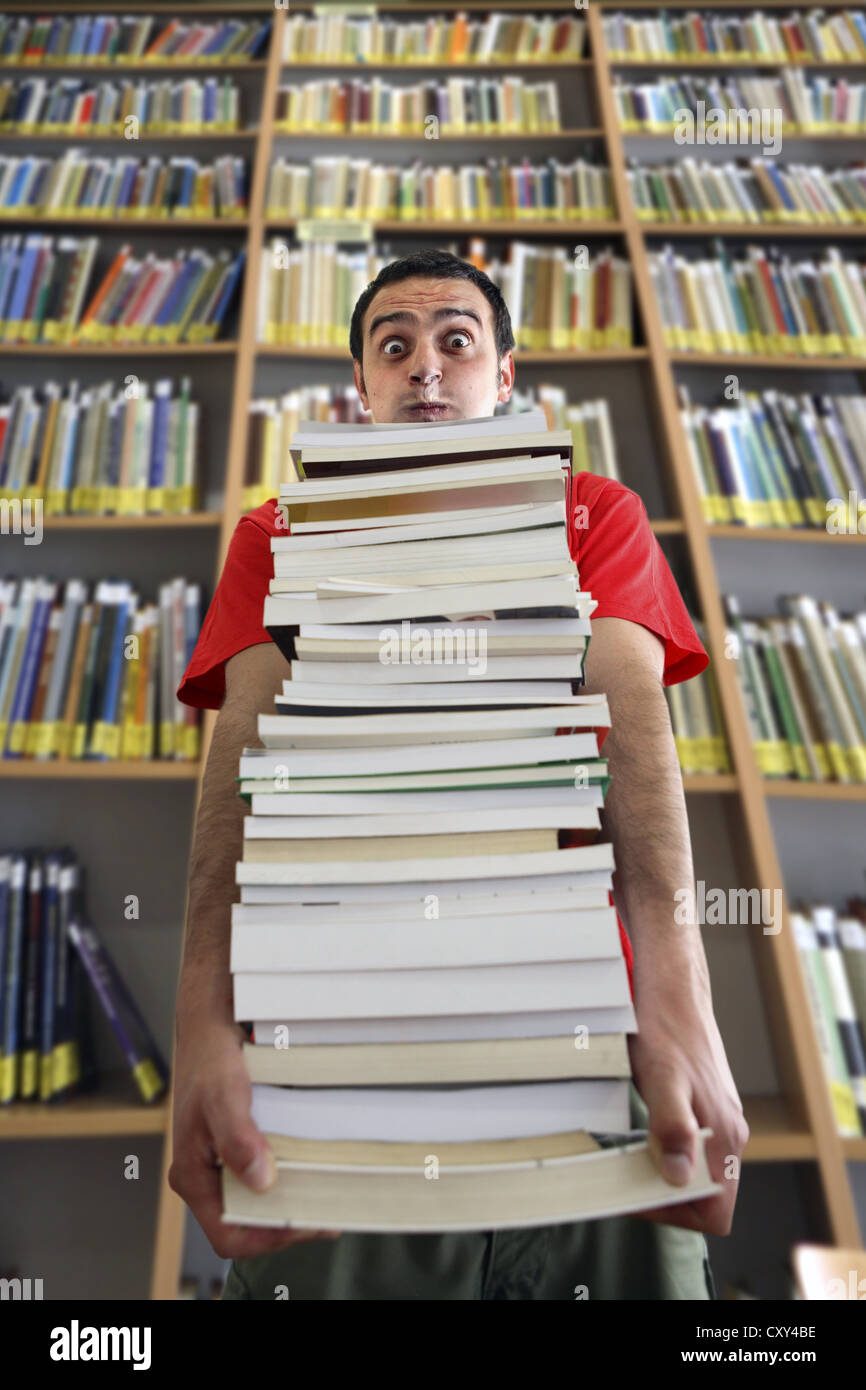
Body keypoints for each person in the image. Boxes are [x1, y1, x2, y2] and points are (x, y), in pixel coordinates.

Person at [170, 248, 749, 1300]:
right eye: (393, 345)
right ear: (363, 384)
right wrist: (202, 1034)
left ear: (505, 375)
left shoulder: (592, 515)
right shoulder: (277, 533)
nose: (424, 366)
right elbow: (235, 796)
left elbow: (637, 750)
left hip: (587, 1047)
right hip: (339, 1054)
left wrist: (680, 1012)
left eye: (454, 340)